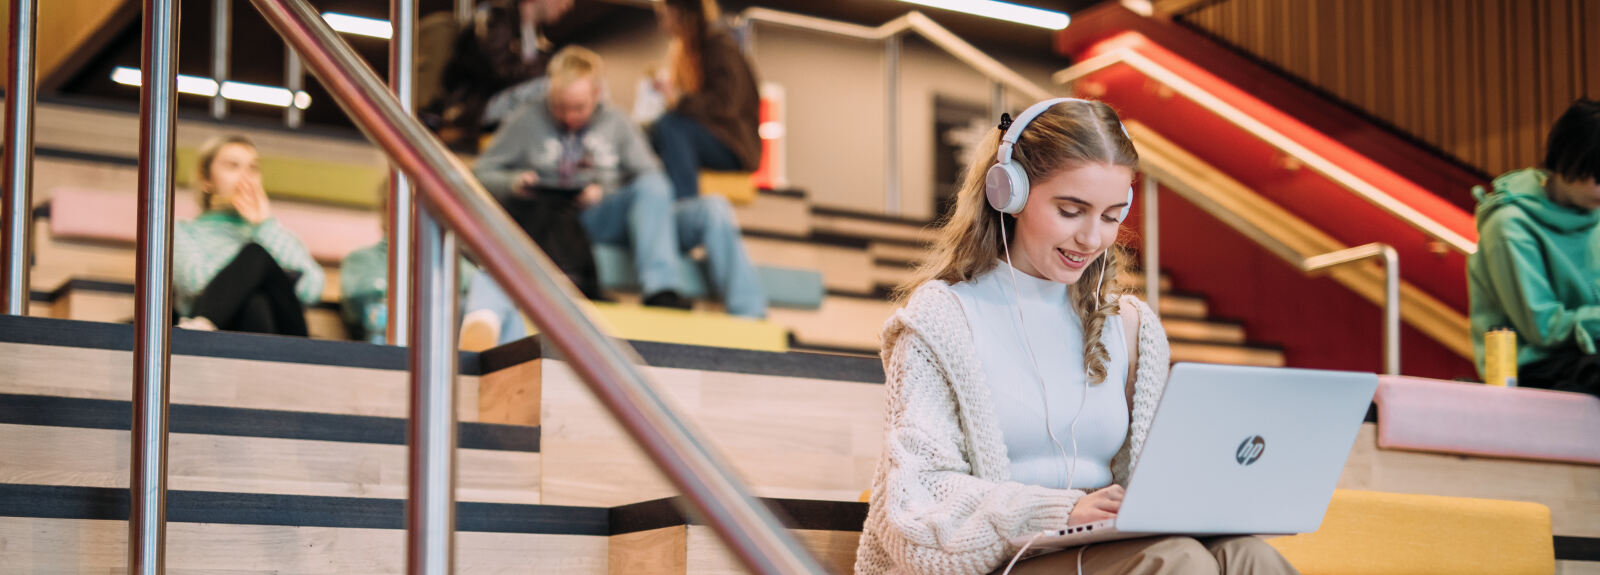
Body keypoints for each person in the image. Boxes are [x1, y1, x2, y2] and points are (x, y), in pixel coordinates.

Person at [853, 99, 1298, 575]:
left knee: (1247, 556)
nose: (1091, 238)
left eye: (1110, 216)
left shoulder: (1133, 326)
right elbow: (919, 496)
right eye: (1071, 211)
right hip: (993, 563)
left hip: (1104, 550)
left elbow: (1155, 481)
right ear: (1009, 195)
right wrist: (1061, 511)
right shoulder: (941, 318)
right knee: (1176, 561)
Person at [471, 45, 767, 323]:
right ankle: (661, 289)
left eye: (579, 108)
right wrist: (514, 182)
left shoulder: (618, 123)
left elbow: (653, 179)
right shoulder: (526, 121)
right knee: (650, 188)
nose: (569, 117)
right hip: (571, 221)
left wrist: (604, 193)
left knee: (712, 207)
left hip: (618, 213)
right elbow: (481, 174)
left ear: (597, 94)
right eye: (560, 107)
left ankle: (750, 315)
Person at [1469, 99, 1600, 398]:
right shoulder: (1509, 226)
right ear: (1567, 161)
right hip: (1535, 366)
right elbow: (1542, 327)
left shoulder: (1593, 213)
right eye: (1598, 177)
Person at [174, 135, 324, 336]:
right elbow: (196, 283)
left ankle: (203, 323)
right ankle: (205, 324)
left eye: (253, 168)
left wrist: (264, 226)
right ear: (206, 180)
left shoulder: (274, 232)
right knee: (255, 300)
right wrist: (251, 273)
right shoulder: (183, 232)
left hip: (284, 337)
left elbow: (312, 289)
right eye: (232, 166)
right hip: (222, 334)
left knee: (256, 255)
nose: (246, 178)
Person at [648, 0, 762, 200]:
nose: (661, 24)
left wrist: (680, 100)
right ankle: (656, 199)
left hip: (734, 146)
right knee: (652, 133)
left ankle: (687, 205)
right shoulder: (689, 50)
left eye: (664, 16)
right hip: (713, 136)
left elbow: (726, 103)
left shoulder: (718, 45)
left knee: (671, 126)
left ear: (679, 13)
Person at [428, 0, 575, 152]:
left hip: (501, 109)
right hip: (472, 109)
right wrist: (550, 70)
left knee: (566, 84)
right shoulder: (495, 17)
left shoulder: (535, 35)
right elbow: (500, 70)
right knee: (550, 87)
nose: (568, 5)